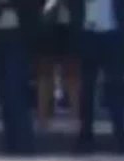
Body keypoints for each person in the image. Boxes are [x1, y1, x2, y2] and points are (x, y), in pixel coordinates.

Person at [70, 0, 124, 154]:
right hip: (88, 34)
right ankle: (85, 136)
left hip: (113, 34)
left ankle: (120, 137)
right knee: (87, 89)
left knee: (116, 87)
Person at [0, 0, 38, 154]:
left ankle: (23, 143)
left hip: (20, 33)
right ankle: (11, 142)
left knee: (15, 89)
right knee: (5, 91)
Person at [33, 0, 79, 130]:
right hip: (46, 23)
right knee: (45, 73)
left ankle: (75, 118)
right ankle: (42, 119)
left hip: (71, 23)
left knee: (72, 74)